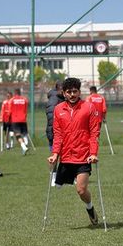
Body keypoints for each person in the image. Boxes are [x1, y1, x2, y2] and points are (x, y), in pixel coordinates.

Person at [47, 77, 101, 226]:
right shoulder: (59, 109)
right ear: (64, 93)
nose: (72, 94)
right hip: (66, 156)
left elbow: (94, 132)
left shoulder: (89, 107)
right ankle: (61, 178)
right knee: (57, 186)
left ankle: (90, 209)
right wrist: (54, 154)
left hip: (84, 156)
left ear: (79, 92)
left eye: (75, 91)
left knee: (81, 190)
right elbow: (58, 134)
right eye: (69, 92)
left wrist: (93, 153)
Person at [9, 88, 30, 155]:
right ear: (20, 93)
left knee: (17, 135)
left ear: (15, 93)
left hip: (15, 119)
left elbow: (9, 111)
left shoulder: (12, 100)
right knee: (24, 133)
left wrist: (9, 119)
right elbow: (26, 110)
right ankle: (26, 143)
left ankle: (24, 146)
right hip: (23, 119)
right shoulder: (24, 99)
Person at [45, 80, 64, 151]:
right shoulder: (57, 99)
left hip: (52, 133)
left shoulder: (53, 97)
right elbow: (51, 118)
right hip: (55, 132)